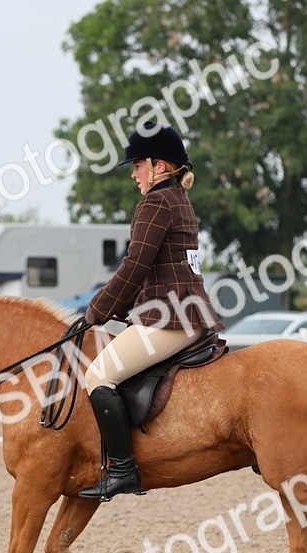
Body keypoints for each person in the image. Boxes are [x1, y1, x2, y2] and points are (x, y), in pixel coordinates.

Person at [77, 122, 224, 501]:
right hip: (189, 312)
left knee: (98, 375)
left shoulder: (156, 202)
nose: (133, 174)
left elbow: (134, 266)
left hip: (171, 318)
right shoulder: (179, 200)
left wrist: (95, 311)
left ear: (159, 166)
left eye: (138, 166)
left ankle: (123, 470)